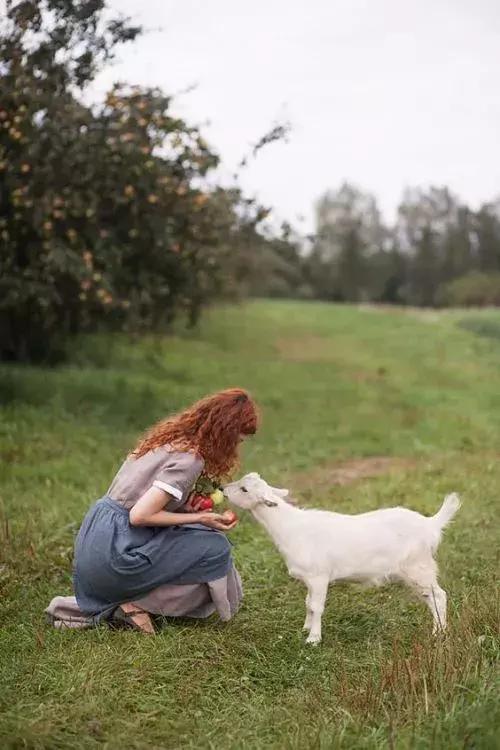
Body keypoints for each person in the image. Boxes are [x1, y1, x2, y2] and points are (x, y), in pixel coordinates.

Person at [68, 388, 259, 634]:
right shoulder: (191, 459)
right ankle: (132, 604)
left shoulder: (168, 441)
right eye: (238, 439)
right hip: (116, 554)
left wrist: (186, 509)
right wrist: (199, 516)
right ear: (226, 433)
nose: (237, 446)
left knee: (195, 533)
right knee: (214, 547)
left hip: (95, 543)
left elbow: (135, 501)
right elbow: (139, 515)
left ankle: (125, 599)